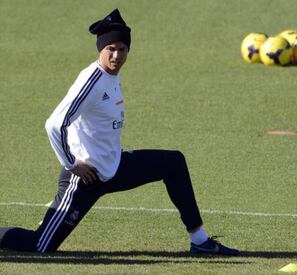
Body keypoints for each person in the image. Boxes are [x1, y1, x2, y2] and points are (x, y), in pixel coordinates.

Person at [0, 9, 239, 256]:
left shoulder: (112, 76)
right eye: (110, 49)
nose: (116, 56)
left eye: (122, 49)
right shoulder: (91, 80)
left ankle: (199, 241)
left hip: (114, 167)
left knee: (173, 163)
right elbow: (54, 123)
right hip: (86, 178)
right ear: (100, 49)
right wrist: (71, 164)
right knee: (40, 245)